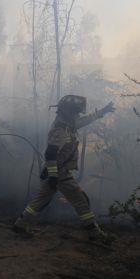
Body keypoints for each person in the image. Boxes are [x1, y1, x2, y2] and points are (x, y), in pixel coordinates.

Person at [13, 95, 115, 242]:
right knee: (80, 200)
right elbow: (50, 154)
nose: (77, 114)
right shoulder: (61, 130)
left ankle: (20, 224)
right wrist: (54, 176)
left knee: (41, 200)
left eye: (78, 112)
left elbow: (83, 121)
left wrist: (101, 112)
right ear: (66, 111)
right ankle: (94, 232)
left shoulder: (68, 125)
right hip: (59, 173)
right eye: (75, 111)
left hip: (55, 172)